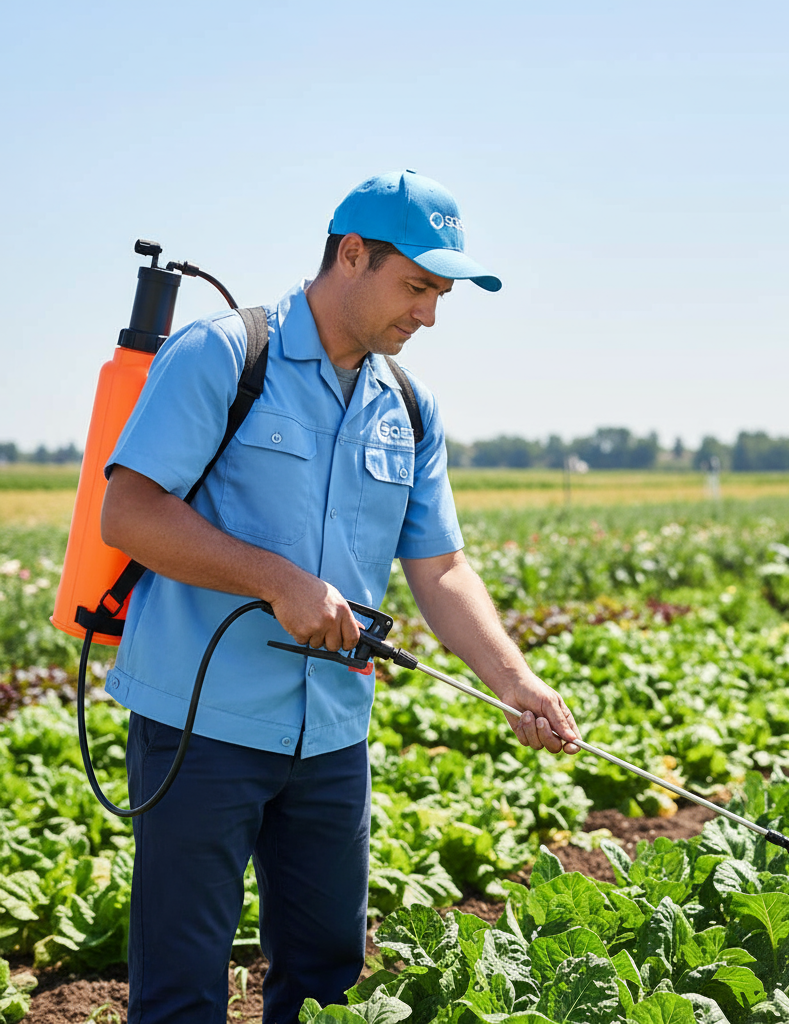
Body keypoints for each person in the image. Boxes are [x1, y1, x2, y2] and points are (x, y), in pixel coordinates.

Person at [100, 169, 580, 1024]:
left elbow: (440, 568)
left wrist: (514, 679)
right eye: (417, 286)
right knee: (181, 990)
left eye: (441, 295)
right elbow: (129, 514)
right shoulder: (224, 355)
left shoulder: (408, 404)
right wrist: (278, 581)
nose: (429, 314)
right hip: (198, 724)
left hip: (330, 738)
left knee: (326, 983)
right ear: (351, 255)